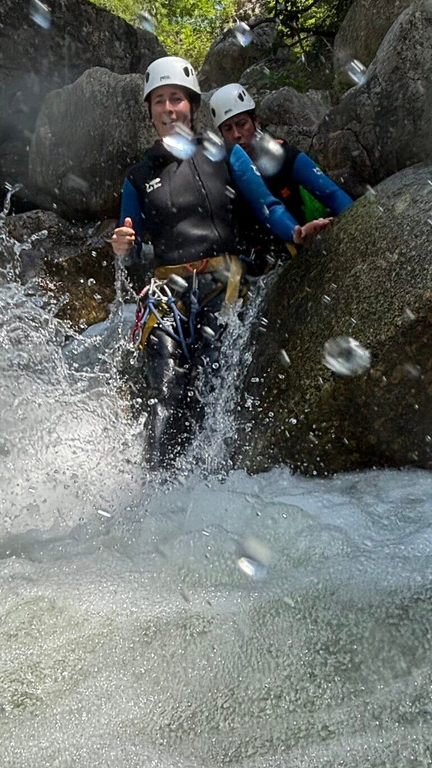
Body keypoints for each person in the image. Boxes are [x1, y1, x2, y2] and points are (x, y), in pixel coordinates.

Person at [111, 56, 329, 469]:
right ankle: (156, 483)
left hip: (223, 279)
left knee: (213, 371)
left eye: (176, 98)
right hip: (168, 291)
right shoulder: (138, 175)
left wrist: (294, 232)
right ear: (150, 111)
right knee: (165, 382)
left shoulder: (226, 155)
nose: (168, 108)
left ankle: (214, 475)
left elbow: (265, 206)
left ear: (192, 106)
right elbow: (132, 242)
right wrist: (123, 245)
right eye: (159, 101)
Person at [208, 82, 353, 271]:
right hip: (257, 260)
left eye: (241, 124)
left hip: (298, 243)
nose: (237, 134)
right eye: (228, 129)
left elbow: (331, 193)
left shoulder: (282, 154)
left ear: (256, 122)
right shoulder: (222, 172)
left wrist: (354, 225)